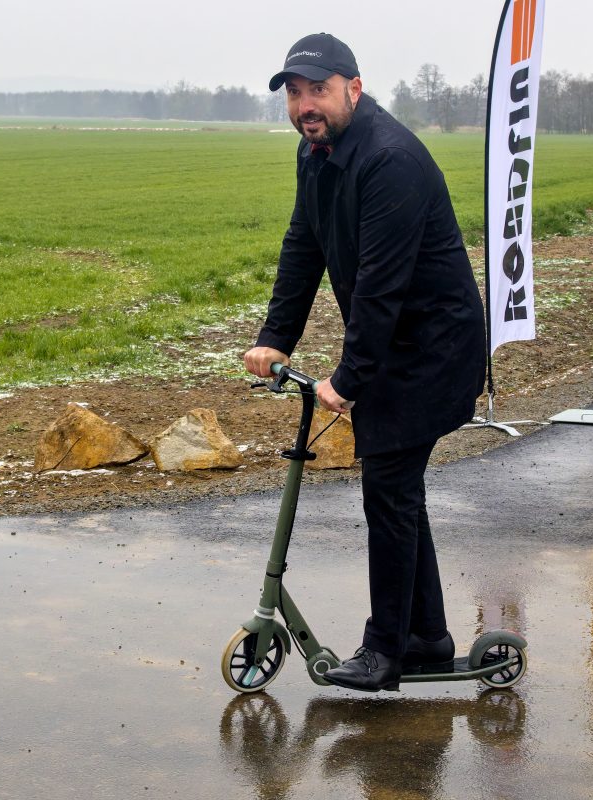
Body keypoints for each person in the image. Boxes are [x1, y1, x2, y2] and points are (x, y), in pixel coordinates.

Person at [242, 32, 486, 692]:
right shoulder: (316, 152)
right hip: (396, 348)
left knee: (390, 492)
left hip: (433, 351)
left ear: (354, 87)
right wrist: (276, 339)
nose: (304, 105)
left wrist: (347, 382)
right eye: (294, 94)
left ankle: (386, 652)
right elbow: (304, 245)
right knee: (399, 493)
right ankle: (427, 637)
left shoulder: (389, 159)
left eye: (316, 90)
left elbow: (381, 285)